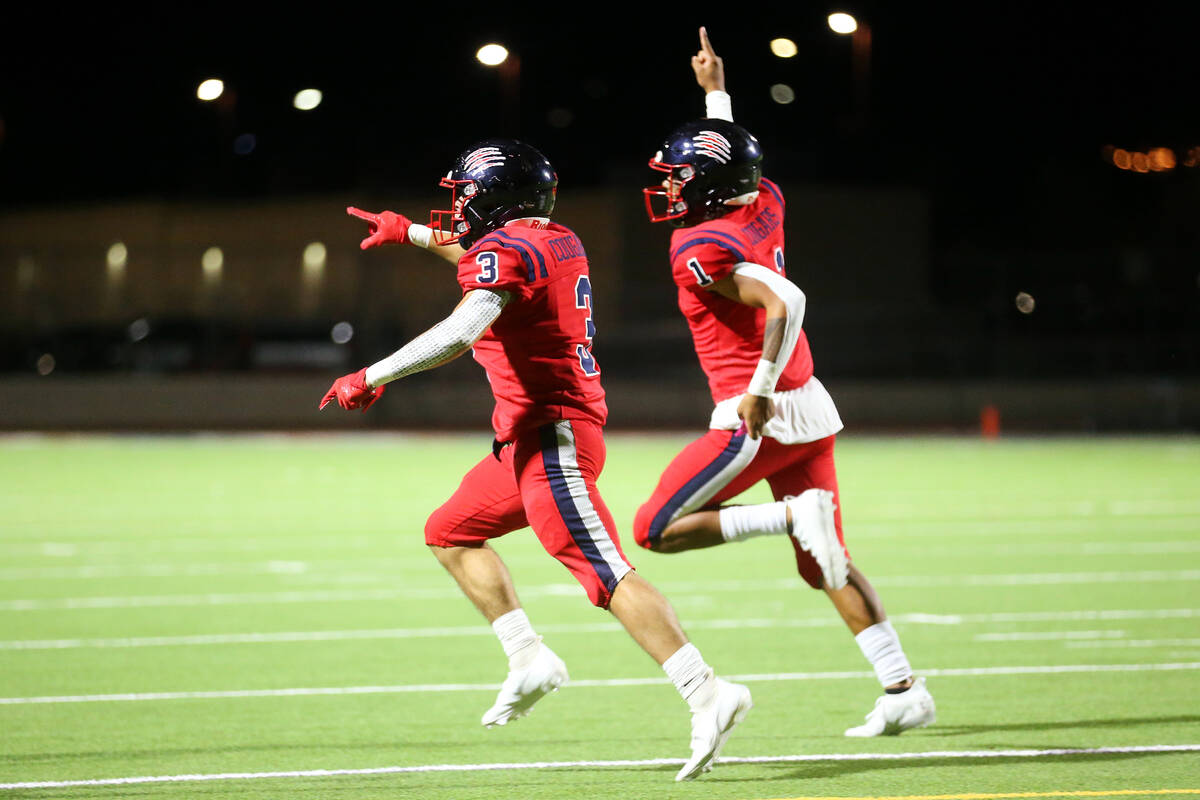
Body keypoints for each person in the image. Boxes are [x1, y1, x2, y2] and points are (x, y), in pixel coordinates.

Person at [320, 138, 751, 781]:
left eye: (468, 192)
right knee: (451, 532)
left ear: (497, 197)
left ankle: (707, 691)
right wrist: (409, 231)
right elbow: (482, 258)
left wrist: (373, 374)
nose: (460, 204)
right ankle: (529, 658)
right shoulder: (552, 238)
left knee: (604, 573)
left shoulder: (508, 251)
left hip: (554, 439)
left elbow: (461, 330)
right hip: (526, 440)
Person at [633, 28, 936, 738]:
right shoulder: (762, 195)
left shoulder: (698, 244)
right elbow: (730, 152)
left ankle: (785, 517)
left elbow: (788, 301)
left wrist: (760, 384)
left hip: (756, 413)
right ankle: (903, 689)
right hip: (812, 407)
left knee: (654, 529)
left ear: (707, 186)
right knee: (823, 564)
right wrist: (715, 95)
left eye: (680, 177)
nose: (671, 185)